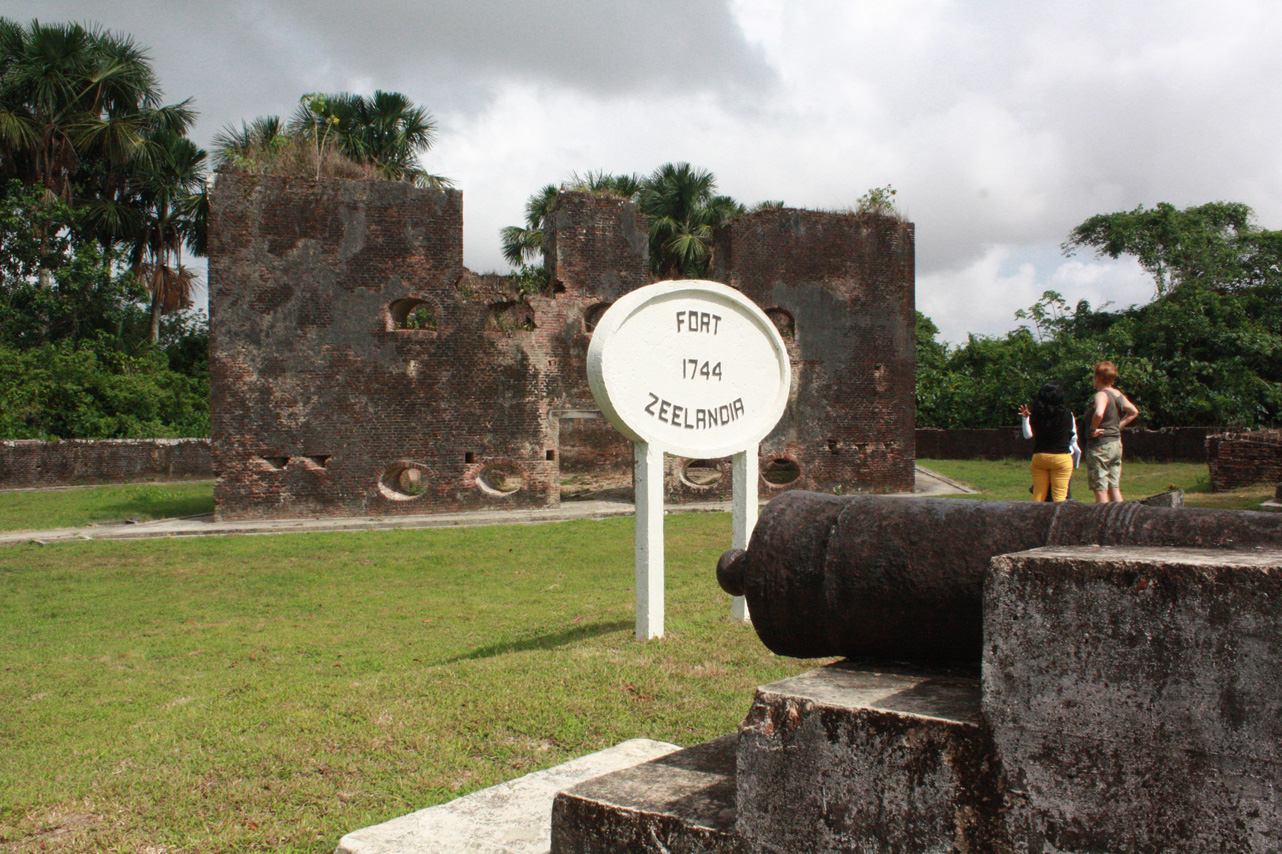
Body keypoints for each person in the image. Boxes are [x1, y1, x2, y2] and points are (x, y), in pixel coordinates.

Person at [1086, 360, 1139, 503]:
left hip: (1100, 446)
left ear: (1097, 377)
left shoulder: (1101, 394)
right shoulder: (1117, 394)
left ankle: (1102, 523)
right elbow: (1133, 411)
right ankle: (1120, 521)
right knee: (1114, 486)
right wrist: (1118, 426)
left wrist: (1093, 429)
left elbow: (1098, 413)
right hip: (1116, 444)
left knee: (1100, 488)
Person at [1017, 381, 1076, 502]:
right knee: (1059, 497)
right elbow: (1074, 437)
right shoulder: (1067, 414)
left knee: (1038, 494)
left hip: (1040, 456)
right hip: (1061, 457)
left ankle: (1034, 519)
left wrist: (1025, 418)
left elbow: (1028, 435)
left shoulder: (1036, 415)